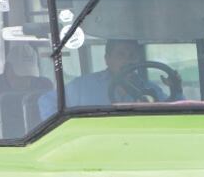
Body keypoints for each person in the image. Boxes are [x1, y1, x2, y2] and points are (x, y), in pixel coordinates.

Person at [37, 39, 174, 119]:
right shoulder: (82, 86)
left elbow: (174, 114)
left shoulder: (150, 89)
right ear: (107, 59)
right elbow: (46, 101)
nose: (127, 60)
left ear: (138, 60)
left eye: (132, 55)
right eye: (121, 54)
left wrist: (176, 89)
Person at [0, 44, 52, 139]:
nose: (25, 80)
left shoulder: (44, 85)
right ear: (7, 68)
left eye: (29, 76)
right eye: (20, 75)